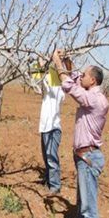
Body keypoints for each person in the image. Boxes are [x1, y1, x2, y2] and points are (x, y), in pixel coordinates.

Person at [53, 49, 109, 218]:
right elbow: (75, 77)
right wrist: (67, 59)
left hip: (88, 158)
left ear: (92, 81)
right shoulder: (92, 94)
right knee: (82, 202)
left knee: (87, 206)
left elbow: (68, 85)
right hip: (83, 157)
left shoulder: (94, 100)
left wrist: (57, 62)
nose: (81, 77)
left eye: (85, 75)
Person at [38, 57, 65, 194]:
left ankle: (55, 186)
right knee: (47, 156)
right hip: (45, 127)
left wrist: (43, 63)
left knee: (51, 158)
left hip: (52, 128)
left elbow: (46, 77)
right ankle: (49, 180)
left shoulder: (57, 90)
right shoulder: (51, 90)